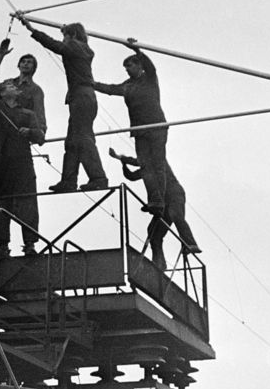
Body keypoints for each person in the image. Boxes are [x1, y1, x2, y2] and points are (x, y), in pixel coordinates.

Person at [25, 20, 109, 192]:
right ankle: (69, 181)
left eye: (65, 36)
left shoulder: (75, 46)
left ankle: (98, 177)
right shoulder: (82, 49)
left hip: (81, 97)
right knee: (72, 141)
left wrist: (32, 30)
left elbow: (54, 45)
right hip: (82, 97)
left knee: (83, 138)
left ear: (73, 35)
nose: (63, 40)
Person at [0, 39, 44, 255]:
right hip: (2, 160)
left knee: (27, 200)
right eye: (8, 86)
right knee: (2, 201)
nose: (11, 85)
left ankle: (29, 244)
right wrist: (0, 56)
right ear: (1, 94)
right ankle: (1, 246)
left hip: (22, 161)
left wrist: (30, 133)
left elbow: (40, 136)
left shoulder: (28, 114)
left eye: (11, 85)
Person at [93, 42, 167, 214]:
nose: (127, 70)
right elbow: (111, 89)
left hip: (156, 126)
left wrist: (137, 51)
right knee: (146, 166)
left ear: (139, 66)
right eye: (126, 67)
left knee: (157, 165)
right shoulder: (128, 85)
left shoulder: (149, 79)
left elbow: (151, 67)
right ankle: (154, 201)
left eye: (130, 66)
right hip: (139, 130)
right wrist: (93, 84)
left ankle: (159, 201)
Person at [109, 147, 201, 270]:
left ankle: (190, 243)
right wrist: (123, 164)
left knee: (176, 215)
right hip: (162, 202)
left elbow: (137, 162)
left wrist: (120, 157)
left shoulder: (159, 160)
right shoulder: (147, 169)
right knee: (153, 231)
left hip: (174, 195)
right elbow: (131, 176)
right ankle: (159, 264)